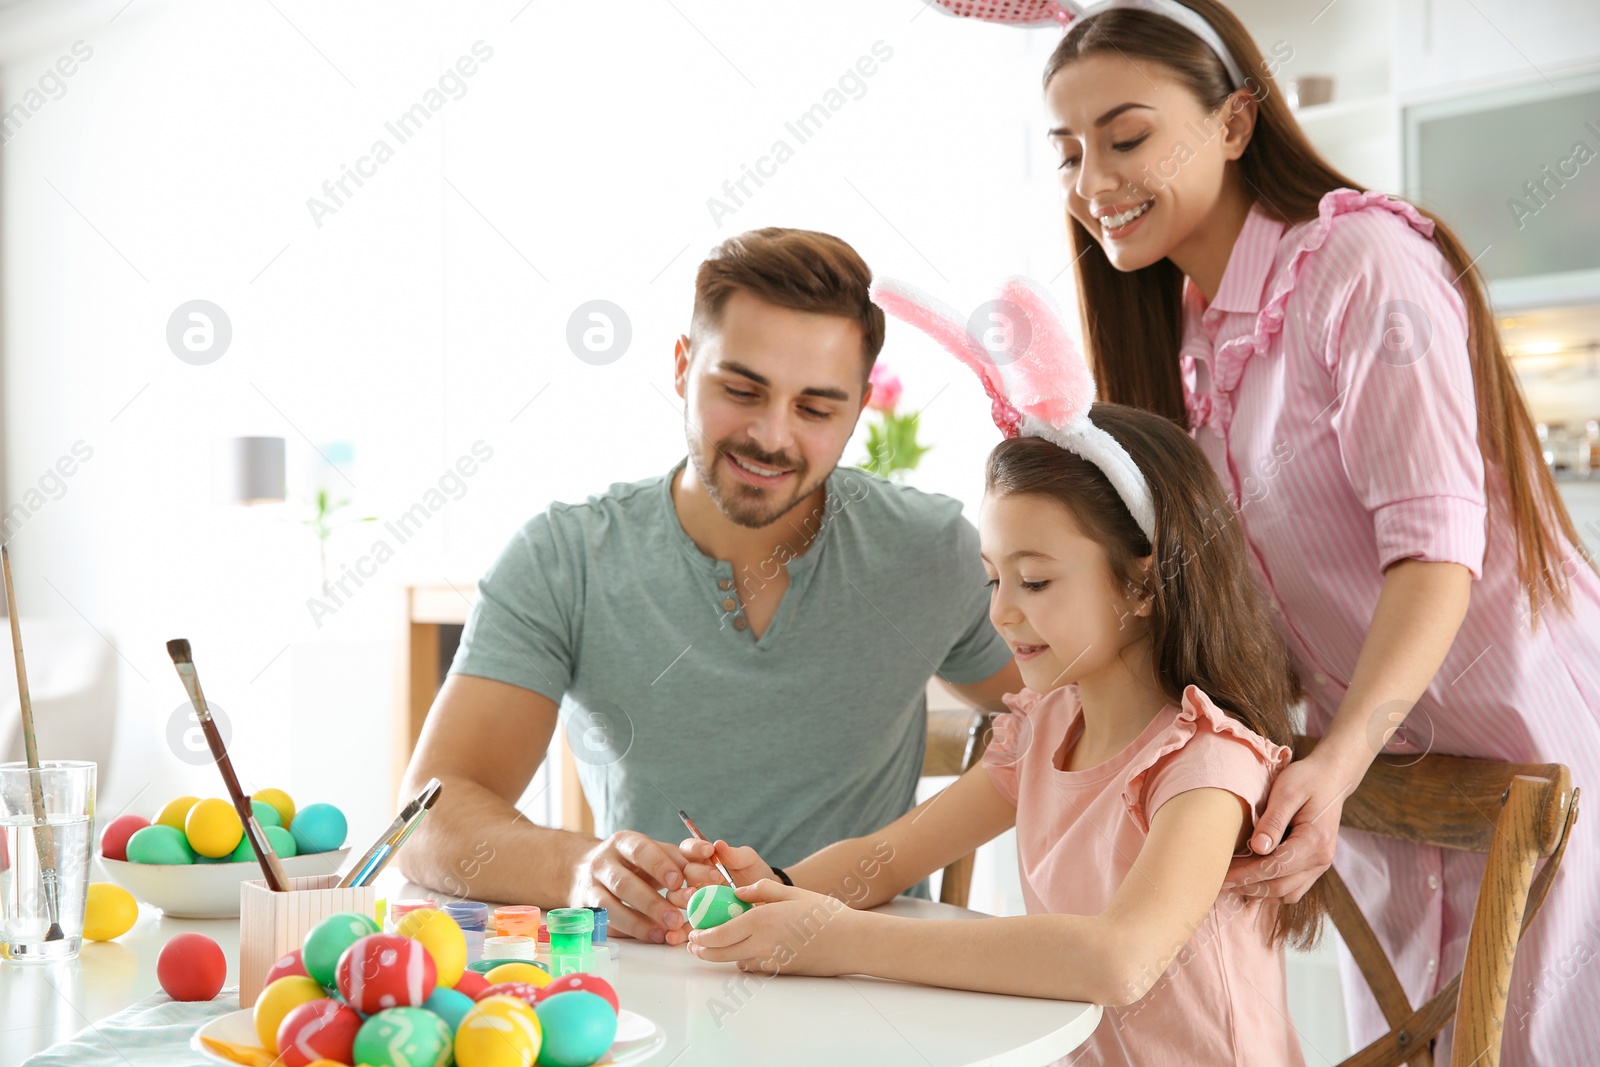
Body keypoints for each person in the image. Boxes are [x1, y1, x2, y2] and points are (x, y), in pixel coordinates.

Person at [1006, 0, 1600, 1061]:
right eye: (1068, 152)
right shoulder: (1181, 340)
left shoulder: (1358, 262)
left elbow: (1433, 550)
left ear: (1234, 124)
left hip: (1534, 756)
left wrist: (1331, 767)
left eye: (1127, 136)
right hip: (1378, 786)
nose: (1093, 180)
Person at [674, 275, 1321, 1066]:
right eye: (994, 578)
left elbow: (1120, 959)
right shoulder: (1045, 729)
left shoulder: (1207, 763)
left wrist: (842, 939)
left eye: (1037, 580)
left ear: (1146, 582)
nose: (1003, 612)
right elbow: (890, 856)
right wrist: (773, 887)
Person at [397, 228, 1021, 946]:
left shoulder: (930, 551)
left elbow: (1078, 718)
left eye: (816, 408)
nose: (770, 436)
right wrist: (580, 871)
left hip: (863, 977)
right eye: (741, 389)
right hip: (652, 986)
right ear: (682, 366)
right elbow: (429, 817)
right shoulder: (565, 558)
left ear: (858, 409)